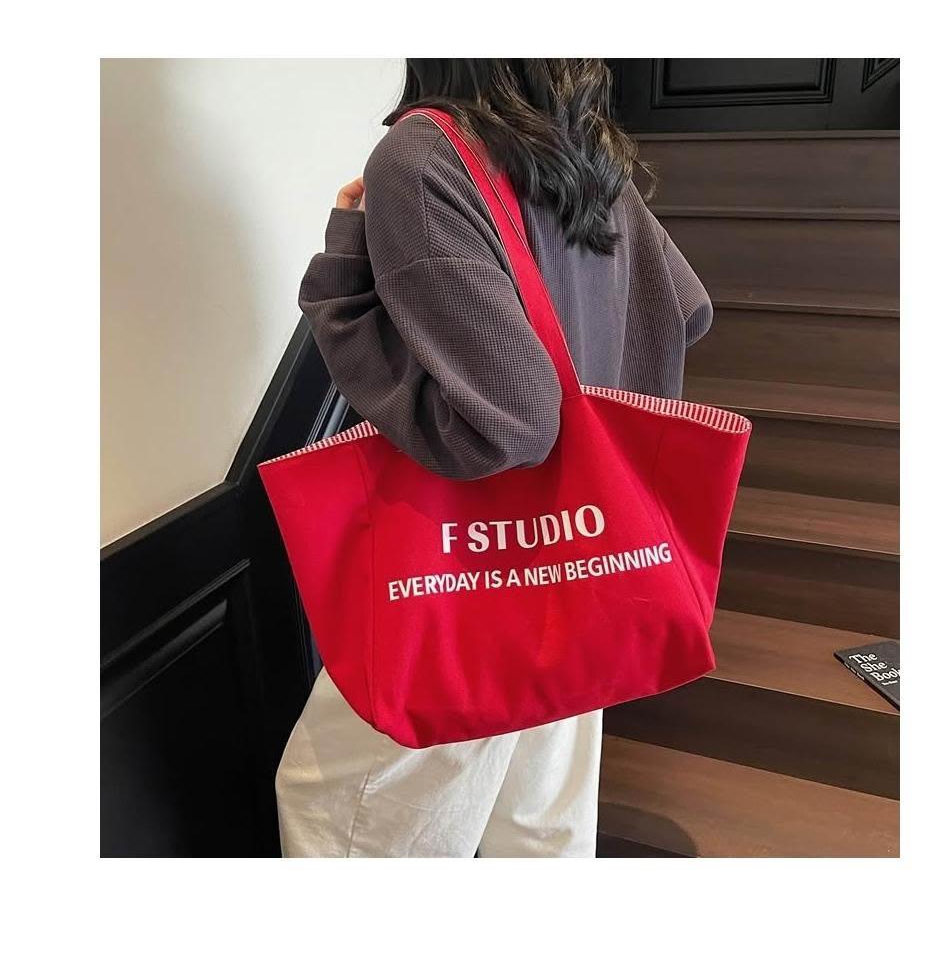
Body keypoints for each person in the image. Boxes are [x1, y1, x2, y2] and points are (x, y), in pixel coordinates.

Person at [275, 59, 713, 857]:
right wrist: (599, 465)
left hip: (464, 576)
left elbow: (511, 424)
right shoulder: (585, 153)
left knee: (338, 810)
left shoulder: (424, 154)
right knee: (538, 826)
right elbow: (683, 309)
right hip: (582, 561)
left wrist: (341, 282)